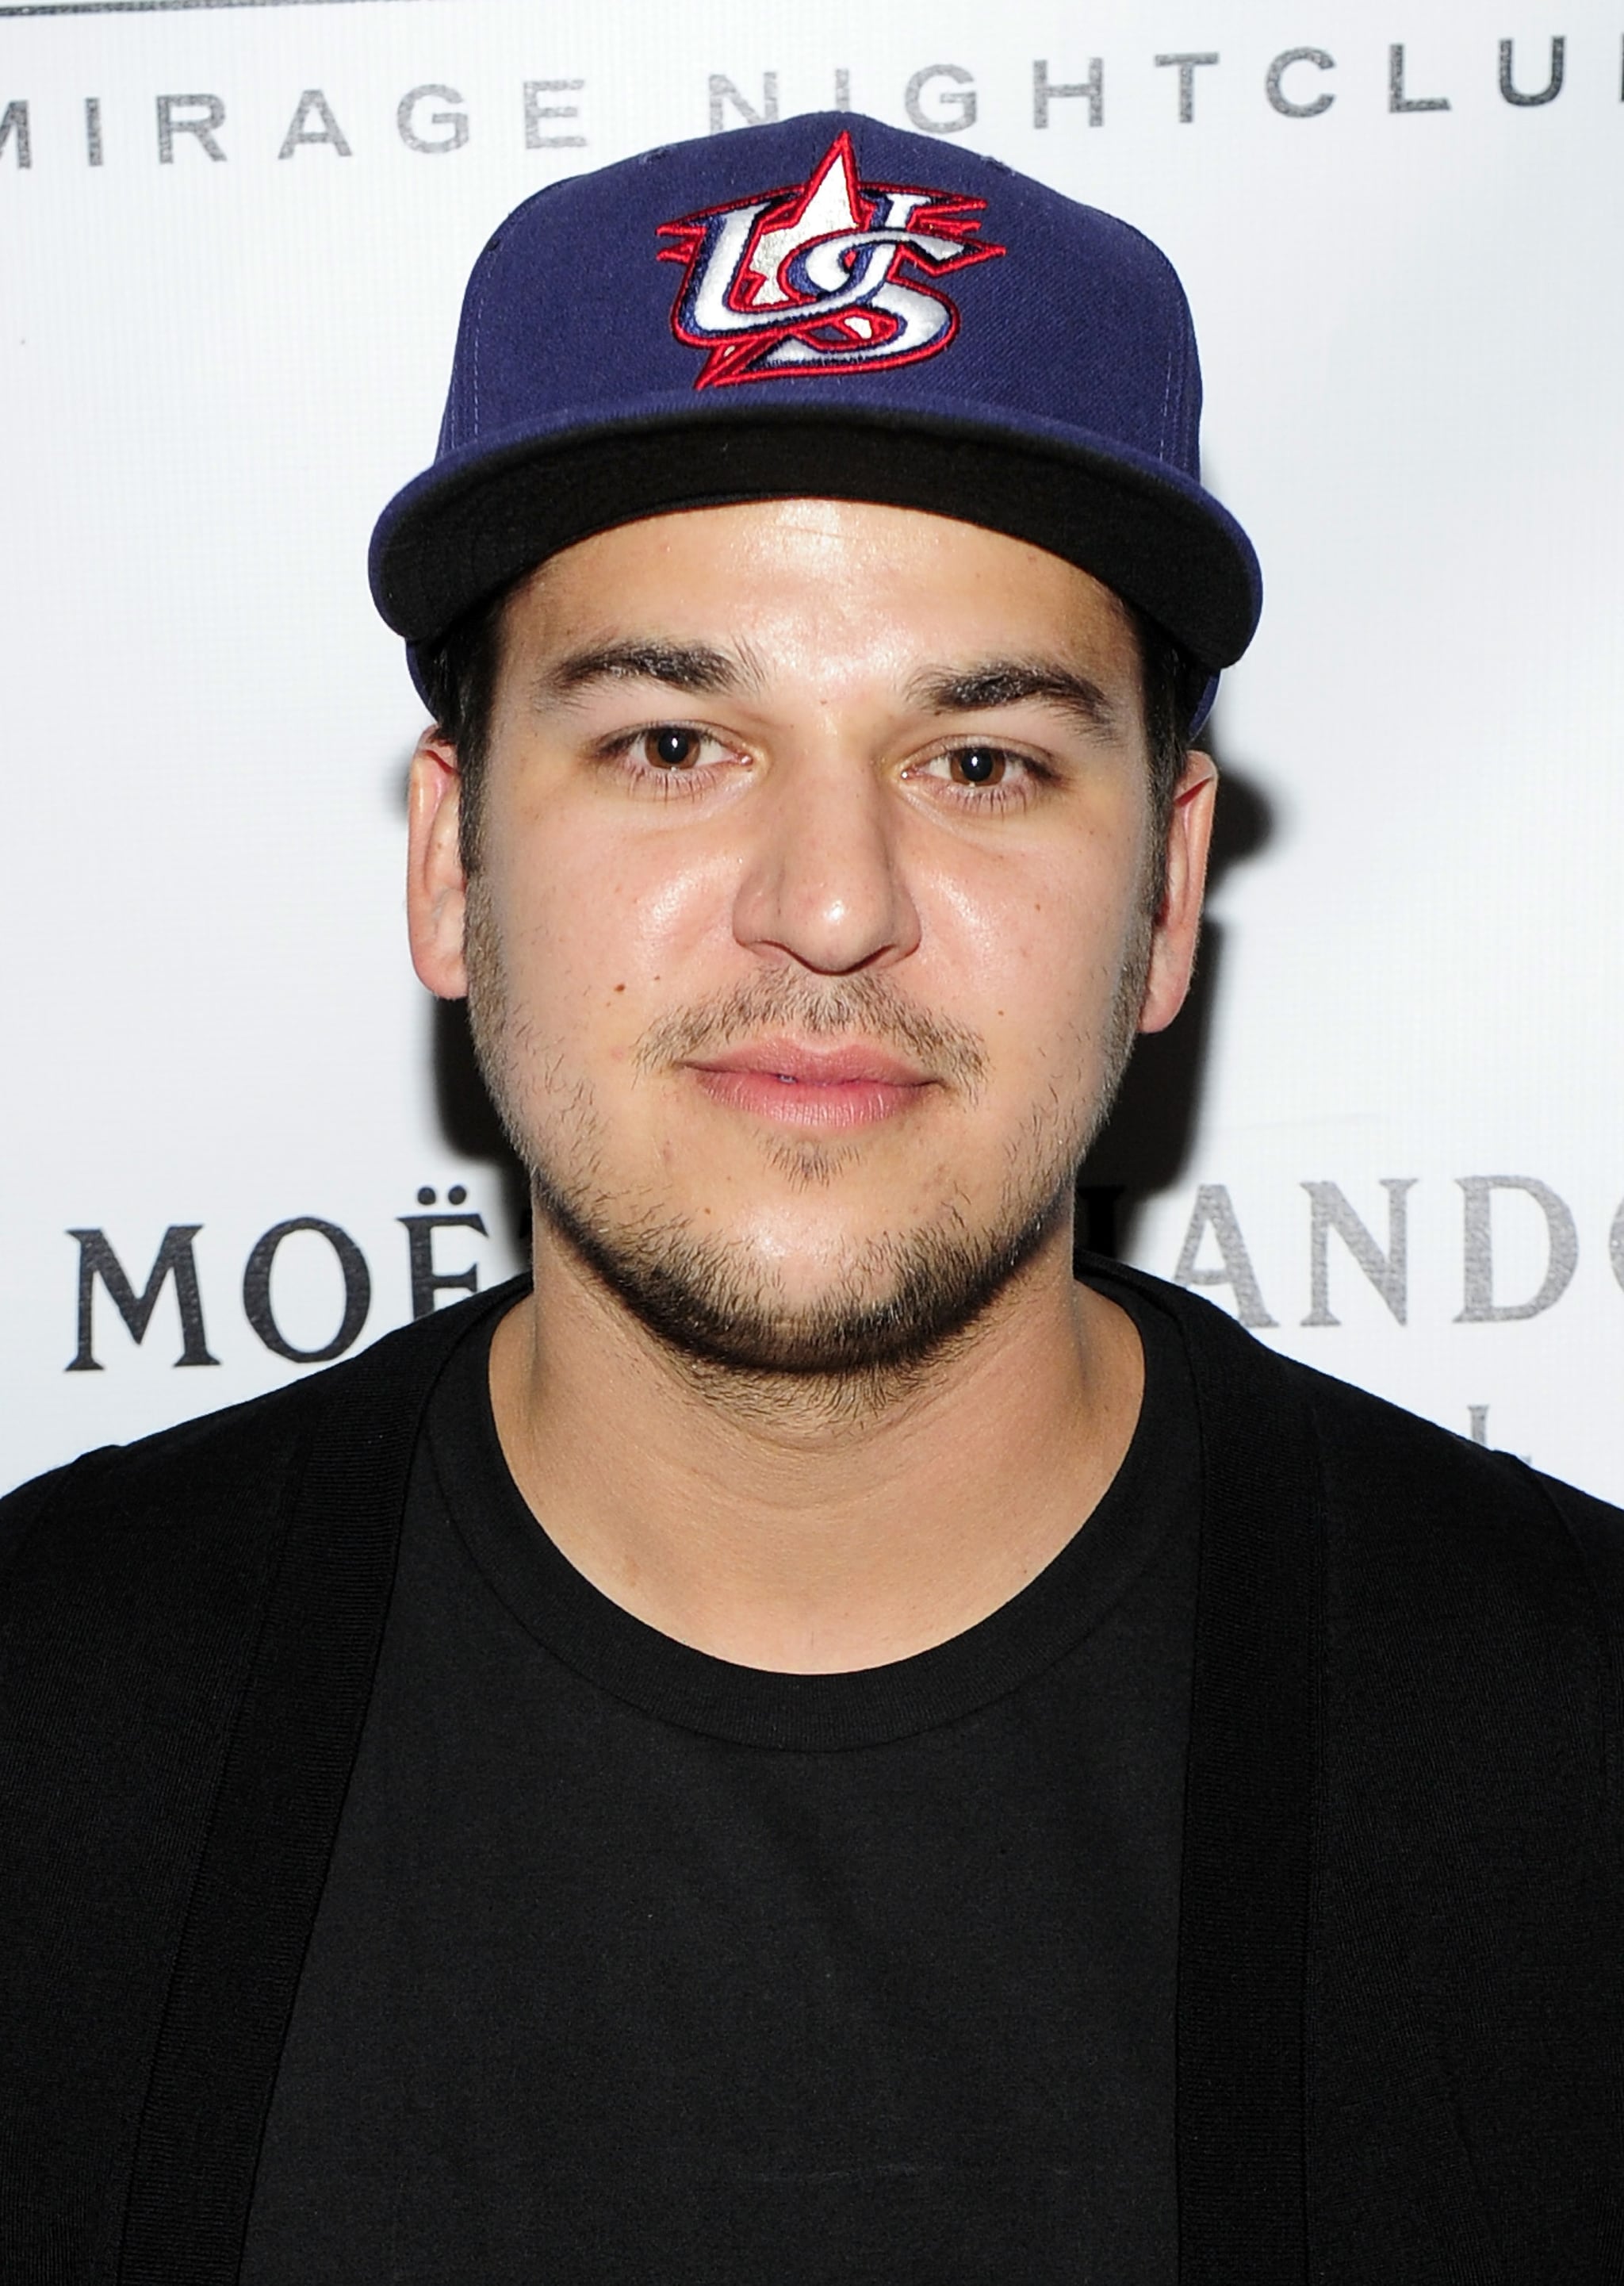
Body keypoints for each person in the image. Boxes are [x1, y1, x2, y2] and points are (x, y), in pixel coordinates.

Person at [2, 113, 1620, 2284]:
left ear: (1165, 894)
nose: (833, 906)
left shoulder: (1570, 1769)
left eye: (983, 761)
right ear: (443, 861)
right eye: (677, 739)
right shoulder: (50, 1738)